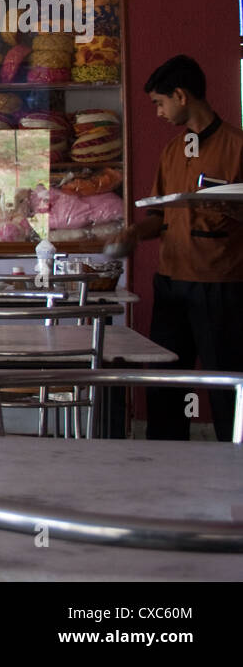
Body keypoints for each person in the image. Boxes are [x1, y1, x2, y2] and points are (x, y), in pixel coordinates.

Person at [107, 55, 243, 441]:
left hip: (220, 283)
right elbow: (162, 217)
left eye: (159, 103)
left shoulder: (238, 146)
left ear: (181, 96)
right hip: (171, 283)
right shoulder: (173, 151)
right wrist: (135, 233)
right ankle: (164, 460)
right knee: (166, 382)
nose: (158, 112)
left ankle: (234, 465)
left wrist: (228, 211)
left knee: (225, 381)